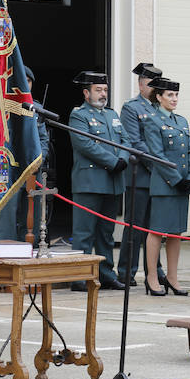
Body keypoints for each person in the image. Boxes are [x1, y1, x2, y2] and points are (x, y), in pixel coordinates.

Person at [68, 71, 130, 291]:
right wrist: (113, 162)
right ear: (86, 93)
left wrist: (122, 159)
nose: (103, 94)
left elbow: (125, 140)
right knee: (85, 232)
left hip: (112, 182)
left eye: (105, 90)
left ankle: (106, 274)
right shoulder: (79, 115)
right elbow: (85, 144)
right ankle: (79, 276)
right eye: (98, 90)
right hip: (90, 181)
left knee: (106, 232)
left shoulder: (112, 115)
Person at [142, 77, 190, 296]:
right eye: (170, 95)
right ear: (159, 97)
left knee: (176, 232)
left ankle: (172, 277)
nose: (174, 99)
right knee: (157, 232)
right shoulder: (152, 121)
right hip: (165, 185)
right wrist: (176, 179)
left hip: (182, 185)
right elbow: (157, 155)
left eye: (176, 95)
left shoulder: (181, 121)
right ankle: (152, 277)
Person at [116, 62, 165, 287]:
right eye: (149, 83)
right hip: (142, 176)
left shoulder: (161, 107)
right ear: (140, 83)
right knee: (135, 227)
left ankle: (155, 271)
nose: (153, 88)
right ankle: (127, 271)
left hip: (160, 178)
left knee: (156, 229)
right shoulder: (132, 108)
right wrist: (159, 165)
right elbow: (135, 142)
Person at [0, 65, 51, 244]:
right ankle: (5, 253)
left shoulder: (37, 108)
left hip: (31, 171)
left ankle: (29, 251)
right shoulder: (1, 104)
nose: (25, 84)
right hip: (7, 169)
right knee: (8, 218)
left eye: (28, 81)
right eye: (22, 80)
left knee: (32, 217)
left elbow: (43, 140)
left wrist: (38, 160)